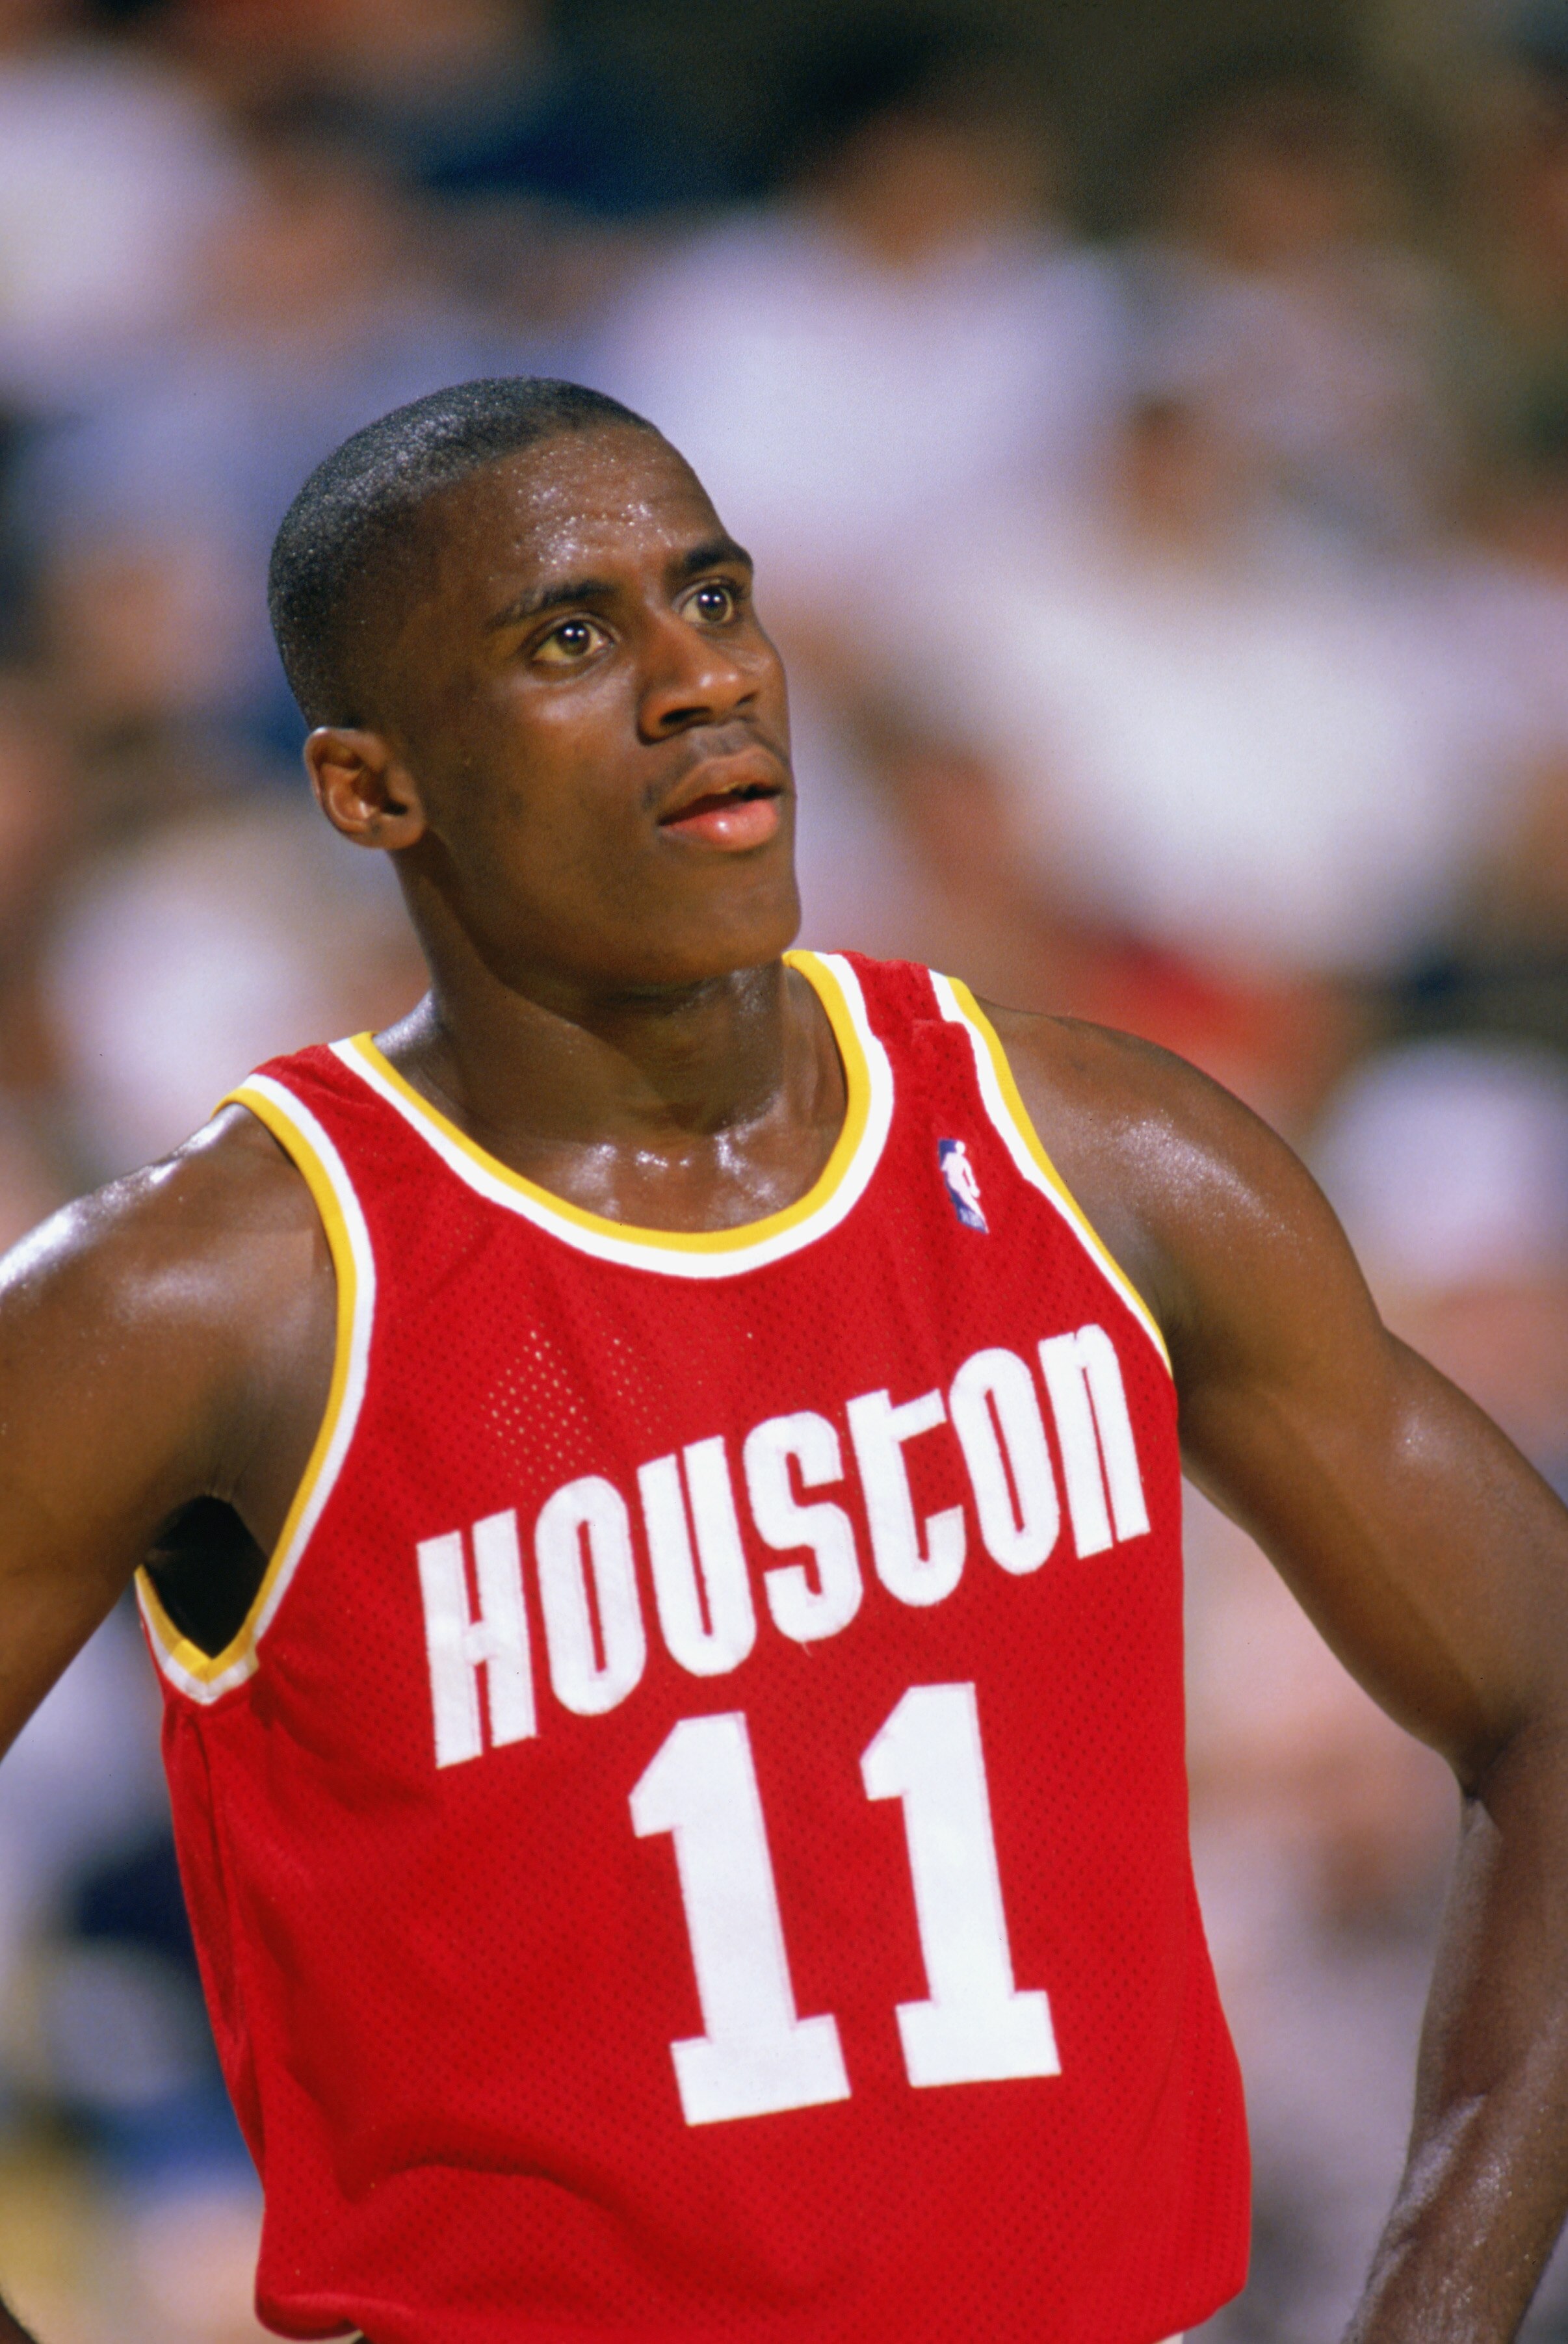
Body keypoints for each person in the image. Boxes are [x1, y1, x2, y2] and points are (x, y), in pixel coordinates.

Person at [0, 379, 1567, 2344]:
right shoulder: (208, 1293)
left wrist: (1437, 2309)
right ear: (370, 787)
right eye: (572, 639)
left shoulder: (1101, 1158)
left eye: (714, 601)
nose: (697, 683)